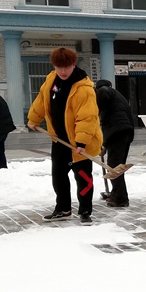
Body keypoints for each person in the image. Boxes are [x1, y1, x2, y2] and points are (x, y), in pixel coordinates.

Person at [27, 47, 103, 224]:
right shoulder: (50, 80)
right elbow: (41, 101)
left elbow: (87, 117)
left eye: (66, 67)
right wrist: (33, 118)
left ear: (73, 64)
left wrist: (81, 143)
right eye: (58, 67)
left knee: (83, 177)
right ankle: (63, 208)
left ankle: (85, 210)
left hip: (80, 142)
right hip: (59, 139)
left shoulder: (84, 89)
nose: (62, 71)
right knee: (58, 176)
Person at [95, 78, 136, 207]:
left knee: (114, 166)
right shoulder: (119, 97)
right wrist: (105, 144)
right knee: (118, 166)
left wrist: (95, 108)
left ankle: (120, 198)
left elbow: (104, 93)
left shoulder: (105, 91)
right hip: (126, 131)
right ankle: (116, 193)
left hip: (118, 132)